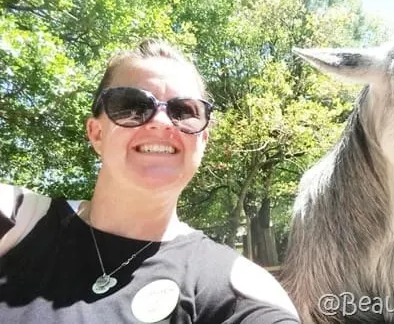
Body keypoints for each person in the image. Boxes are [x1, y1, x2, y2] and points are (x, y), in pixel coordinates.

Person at [0, 39, 300, 323]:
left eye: (184, 111)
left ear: (203, 140)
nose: (161, 121)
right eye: (131, 105)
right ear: (96, 133)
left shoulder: (234, 288)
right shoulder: (19, 223)